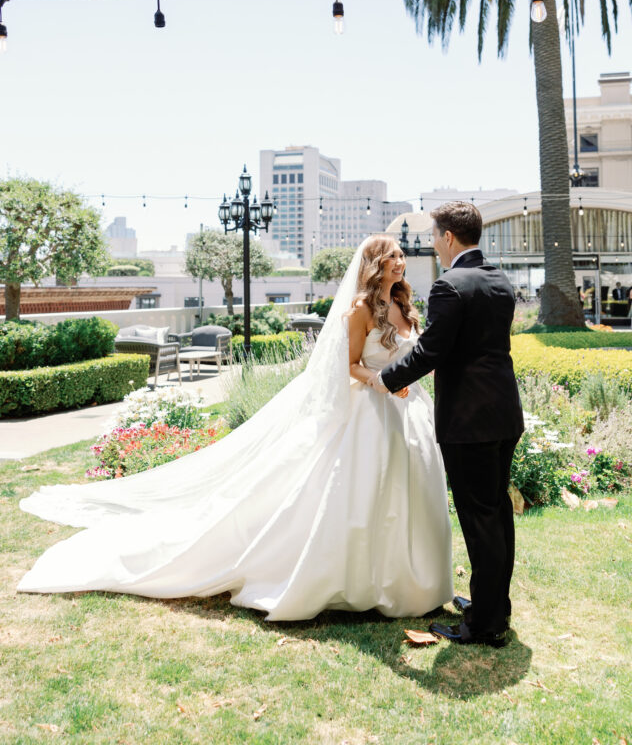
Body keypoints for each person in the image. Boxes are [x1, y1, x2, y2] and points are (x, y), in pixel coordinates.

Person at [18, 235, 454, 621]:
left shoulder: (402, 301)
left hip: (409, 410)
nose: (401, 260)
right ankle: (365, 580)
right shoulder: (359, 310)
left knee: (409, 491)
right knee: (367, 493)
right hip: (372, 410)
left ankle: (413, 577)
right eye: (393, 255)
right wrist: (382, 382)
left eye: (401, 254)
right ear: (375, 263)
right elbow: (349, 366)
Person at [369, 201, 524, 649]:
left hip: (469, 421)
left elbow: (431, 351)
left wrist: (386, 379)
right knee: (496, 514)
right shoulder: (499, 280)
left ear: (449, 238)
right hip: (503, 414)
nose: (434, 244)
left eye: (435, 236)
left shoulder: (450, 285)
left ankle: (486, 625)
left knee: (479, 521)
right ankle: (494, 607)